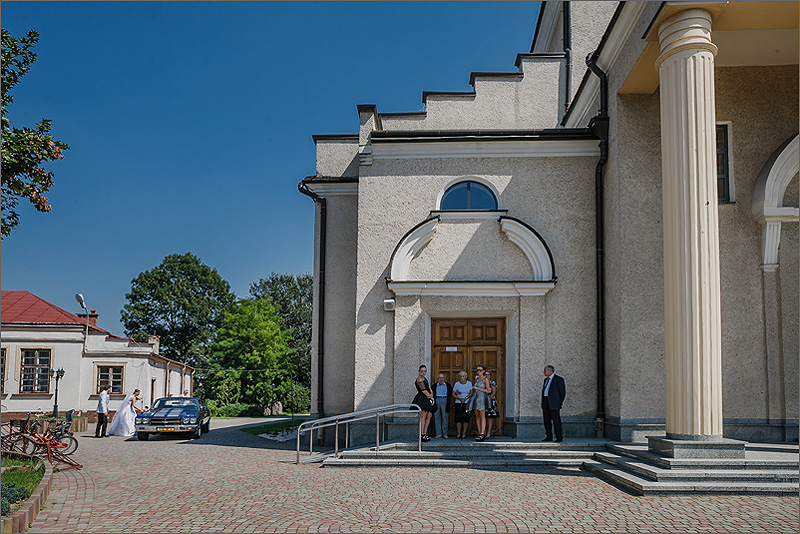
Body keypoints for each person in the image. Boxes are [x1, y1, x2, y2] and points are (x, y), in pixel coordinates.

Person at [541, 365, 566, 442]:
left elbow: (562, 393)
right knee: (546, 420)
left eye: (545, 370)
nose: (544, 372)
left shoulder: (558, 379)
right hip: (546, 401)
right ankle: (549, 436)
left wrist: (559, 402)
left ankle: (559, 437)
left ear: (550, 371)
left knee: (556, 420)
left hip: (554, 403)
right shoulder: (546, 380)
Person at [466, 365, 491, 441]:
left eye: (479, 370)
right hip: (476, 398)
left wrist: (478, 388)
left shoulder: (485, 379)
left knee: (482, 415)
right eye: (477, 370)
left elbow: (488, 390)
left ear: (483, 371)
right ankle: (479, 432)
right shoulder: (476, 379)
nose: (478, 372)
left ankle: (482, 433)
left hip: (482, 398)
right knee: (477, 415)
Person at [412, 365, 435, 441]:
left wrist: (431, 395)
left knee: (429, 415)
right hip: (422, 398)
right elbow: (423, 390)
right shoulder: (419, 379)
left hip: (427, 398)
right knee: (423, 416)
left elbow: (429, 388)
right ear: (419, 371)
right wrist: (430, 397)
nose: (423, 372)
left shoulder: (425, 379)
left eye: (425, 371)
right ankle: (421, 434)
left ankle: (425, 433)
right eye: (422, 371)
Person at [452, 371, 472, 438]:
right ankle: (458, 433)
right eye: (460, 376)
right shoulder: (457, 384)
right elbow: (453, 393)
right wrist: (459, 399)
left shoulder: (469, 383)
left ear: (466, 377)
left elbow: (471, 392)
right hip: (458, 403)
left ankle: (464, 434)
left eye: (463, 376)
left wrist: (465, 398)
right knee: (458, 418)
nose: (462, 378)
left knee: (466, 418)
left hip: (467, 402)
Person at [432, 373, 453, 438]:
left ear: (444, 379)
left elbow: (451, 393)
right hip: (437, 400)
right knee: (437, 417)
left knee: (445, 417)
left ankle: (445, 433)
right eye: (439, 378)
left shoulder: (447, 385)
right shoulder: (434, 385)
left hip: (445, 400)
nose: (441, 379)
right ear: (437, 379)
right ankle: (438, 433)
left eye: (442, 378)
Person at [485, 370, 499, 440]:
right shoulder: (482, 382)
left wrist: (488, 399)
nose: (487, 376)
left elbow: (494, 392)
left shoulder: (492, 383)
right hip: (482, 401)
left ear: (490, 376)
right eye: (485, 375)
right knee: (482, 418)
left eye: (488, 375)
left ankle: (488, 433)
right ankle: (482, 432)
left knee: (489, 418)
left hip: (490, 401)